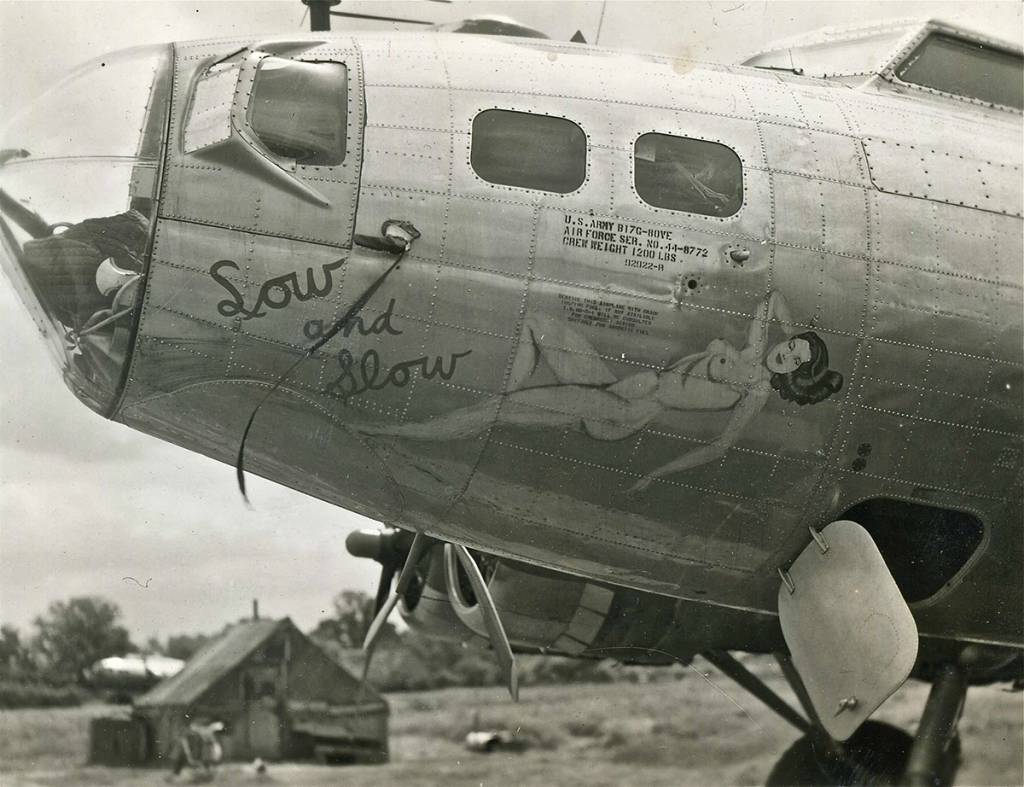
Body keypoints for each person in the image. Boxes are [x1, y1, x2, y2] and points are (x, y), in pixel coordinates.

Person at [360, 290, 843, 490]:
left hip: (621, 411)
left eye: (797, 361)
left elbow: (718, 446)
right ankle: (508, 396)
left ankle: (401, 429)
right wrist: (801, 328)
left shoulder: (756, 389)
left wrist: (656, 475)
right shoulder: (756, 348)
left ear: (794, 376)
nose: (789, 354)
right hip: (617, 388)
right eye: (794, 346)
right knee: (539, 322)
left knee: (504, 410)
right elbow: (773, 298)